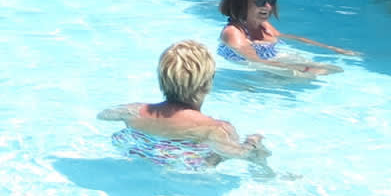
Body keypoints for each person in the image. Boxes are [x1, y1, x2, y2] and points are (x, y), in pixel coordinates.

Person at [97, 40, 270, 171]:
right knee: (221, 154)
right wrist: (253, 143)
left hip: (144, 156)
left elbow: (104, 115)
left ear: (162, 79)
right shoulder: (216, 128)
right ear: (206, 84)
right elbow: (244, 155)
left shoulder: (134, 112)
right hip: (187, 170)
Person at [216, 0, 353, 75]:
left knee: (327, 71)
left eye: (271, 0)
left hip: (272, 63)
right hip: (250, 72)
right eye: (260, 1)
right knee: (309, 75)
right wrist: (301, 68)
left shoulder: (263, 25)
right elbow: (255, 61)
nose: (268, 7)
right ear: (240, 2)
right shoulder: (233, 32)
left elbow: (289, 38)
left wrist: (332, 49)